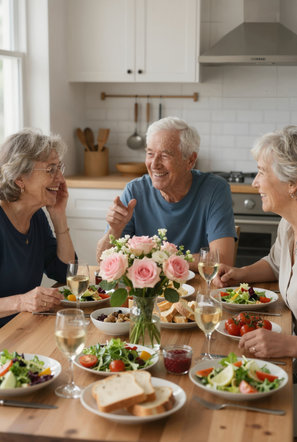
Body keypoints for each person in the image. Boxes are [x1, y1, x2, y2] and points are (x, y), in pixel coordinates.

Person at [96, 117, 236, 270]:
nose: (154, 164)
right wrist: (114, 230)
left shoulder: (214, 189)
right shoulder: (135, 191)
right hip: (146, 290)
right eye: (150, 154)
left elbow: (223, 259)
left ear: (190, 160)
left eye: (165, 155)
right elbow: (103, 261)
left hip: (197, 288)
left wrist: (157, 259)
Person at [213, 125, 297, 359]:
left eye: (261, 172)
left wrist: (290, 345)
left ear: (292, 183)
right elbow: (275, 263)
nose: (254, 183)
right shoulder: (288, 225)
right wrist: (240, 274)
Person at [0, 128, 75, 326]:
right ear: (19, 178)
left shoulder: (36, 217)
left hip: (21, 329)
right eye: (51, 169)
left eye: (60, 168)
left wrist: (59, 217)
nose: (60, 179)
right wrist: (21, 301)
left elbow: (66, 274)